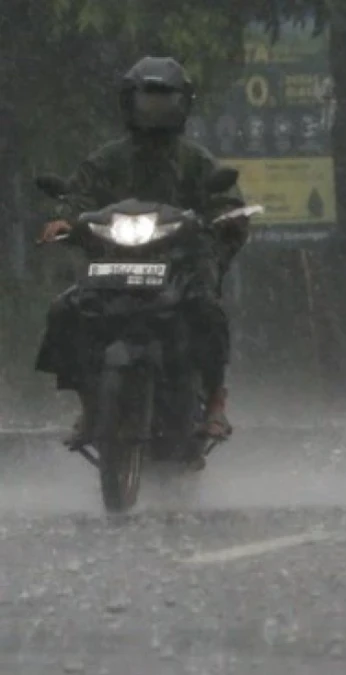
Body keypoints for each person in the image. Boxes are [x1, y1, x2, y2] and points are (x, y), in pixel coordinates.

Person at [34, 56, 249, 446]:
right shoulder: (107, 159)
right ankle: (87, 403)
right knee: (67, 309)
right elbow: (78, 194)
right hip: (114, 262)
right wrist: (64, 219)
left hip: (181, 265)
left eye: (164, 102)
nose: (155, 112)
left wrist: (223, 221)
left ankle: (216, 401)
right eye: (147, 102)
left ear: (182, 105)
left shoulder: (195, 159)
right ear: (128, 103)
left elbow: (227, 201)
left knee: (207, 309)